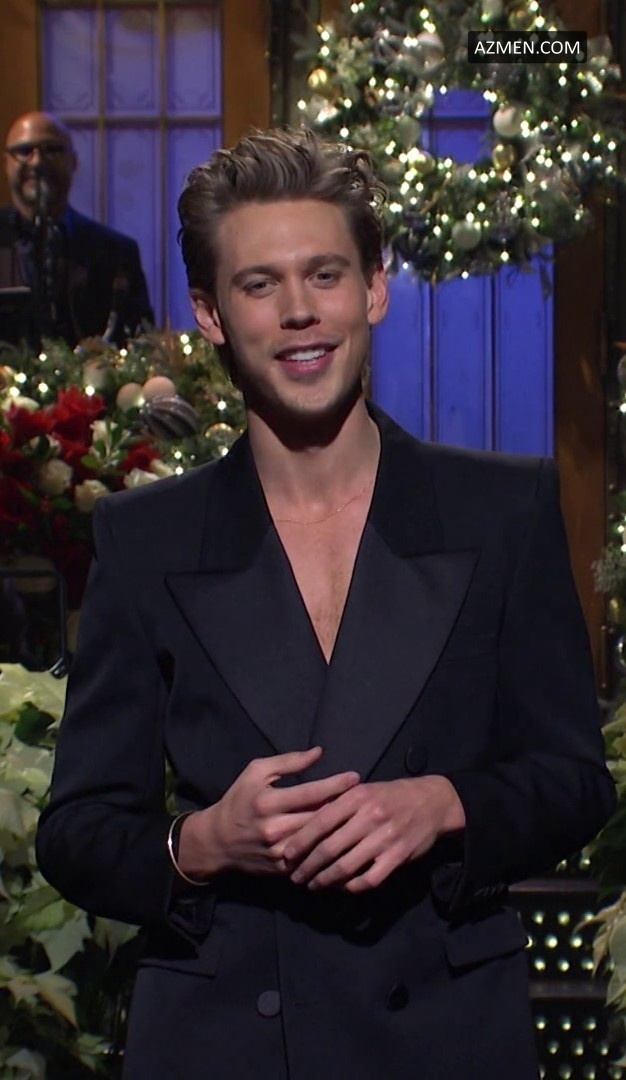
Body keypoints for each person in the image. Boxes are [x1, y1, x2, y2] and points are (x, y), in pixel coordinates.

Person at [36, 127, 615, 1080]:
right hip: (225, 1038)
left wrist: (444, 803)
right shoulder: (146, 539)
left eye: (325, 275)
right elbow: (79, 831)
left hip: (445, 1037)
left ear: (374, 288)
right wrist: (205, 842)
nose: (300, 311)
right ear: (211, 313)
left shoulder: (502, 511)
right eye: (260, 284)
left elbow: (574, 781)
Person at [0, 111, 153, 348]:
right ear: (6, 163)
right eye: (25, 151)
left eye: (52, 150)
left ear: (73, 162)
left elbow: (141, 345)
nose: (37, 162)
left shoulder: (116, 254)